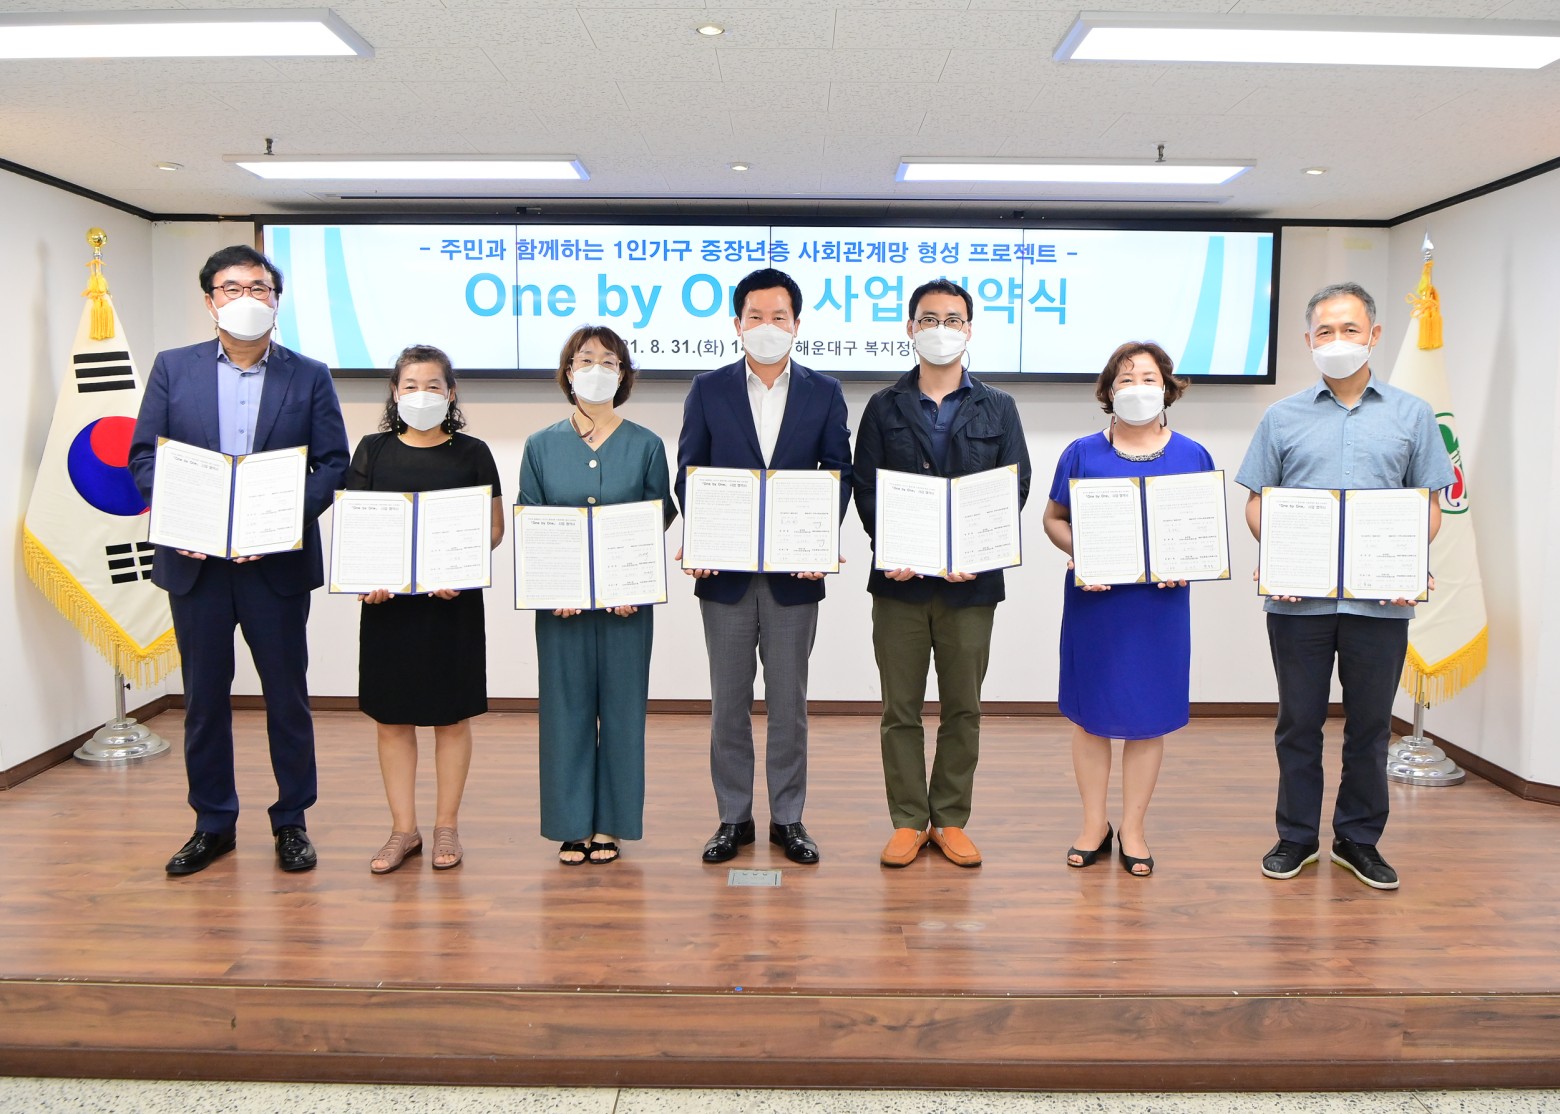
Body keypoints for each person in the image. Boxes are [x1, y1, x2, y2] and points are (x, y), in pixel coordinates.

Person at [129, 243, 349, 876]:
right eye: (232, 288)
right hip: (195, 564)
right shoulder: (174, 368)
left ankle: (292, 821)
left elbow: (332, 463)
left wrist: (279, 523)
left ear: (276, 302)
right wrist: (179, 519)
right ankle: (212, 823)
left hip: (274, 565)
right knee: (203, 699)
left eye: (259, 289)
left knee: (287, 697)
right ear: (210, 301)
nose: (246, 298)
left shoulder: (309, 374)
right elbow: (145, 457)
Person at [1236, 282, 1454, 891]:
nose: (1338, 341)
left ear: (1373, 336)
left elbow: (1429, 504)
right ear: (1308, 340)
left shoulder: (1413, 414)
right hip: (1297, 603)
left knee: (1370, 726)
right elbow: (1257, 502)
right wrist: (1277, 552)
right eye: (1325, 331)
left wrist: (1407, 561)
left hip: (1381, 604)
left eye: (1350, 330)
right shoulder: (1282, 416)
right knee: (1298, 722)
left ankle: (1358, 840)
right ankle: (1296, 837)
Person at [675, 267, 852, 867]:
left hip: (793, 577)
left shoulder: (824, 392)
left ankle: (788, 818)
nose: (767, 326)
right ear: (737, 323)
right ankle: (733, 818)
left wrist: (818, 540)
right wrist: (702, 536)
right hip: (723, 577)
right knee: (728, 702)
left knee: (788, 705)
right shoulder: (708, 389)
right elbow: (690, 471)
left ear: (797, 325)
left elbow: (839, 473)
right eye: (756, 316)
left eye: (779, 316)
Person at [853, 278, 1031, 869]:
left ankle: (950, 818)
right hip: (900, 585)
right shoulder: (883, 405)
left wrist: (973, 552)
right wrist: (892, 547)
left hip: (971, 587)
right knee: (899, 709)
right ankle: (908, 821)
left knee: (963, 707)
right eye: (929, 319)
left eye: (953, 319)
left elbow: (1014, 486)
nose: (941, 329)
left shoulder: (998, 407)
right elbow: (866, 487)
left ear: (969, 329)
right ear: (910, 328)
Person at [1041, 342, 1213, 877]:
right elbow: (1053, 520)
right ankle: (1094, 824)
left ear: (1167, 387)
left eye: (1148, 378)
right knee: (1091, 719)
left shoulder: (1194, 455)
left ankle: (1133, 828)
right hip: (1096, 607)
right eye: (1125, 379)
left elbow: (1202, 533)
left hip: (1159, 609)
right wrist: (1082, 552)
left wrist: (1188, 560)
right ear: (1109, 391)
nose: (1137, 388)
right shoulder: (1081, 453)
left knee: (1147, 719)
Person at [520, 325, 674, 865]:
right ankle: (571, 825)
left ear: (623, 374)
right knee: (565, 711)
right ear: (568, 371)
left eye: (610, 361)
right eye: (585, 359)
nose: (597, 369)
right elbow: (532, 519)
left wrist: (633, 583)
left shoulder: (647, 444)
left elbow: (659, 516)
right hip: (560, 609)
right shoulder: (540, 446)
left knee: (624, 711)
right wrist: (554, 588)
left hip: (626, 607)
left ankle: (611, 824)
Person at [349, 345, 504, 874]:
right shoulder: (371, 451)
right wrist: (367, 579)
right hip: (388, 609)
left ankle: (446, 827)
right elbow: (359, 526)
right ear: (395, 393)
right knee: (391, 720)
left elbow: (493, 528)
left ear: (451, 393)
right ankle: (403, 830)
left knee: (450, 718)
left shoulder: (473, 452)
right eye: (411, 385)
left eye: (433, 385)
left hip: (451, 607)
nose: (422, 394)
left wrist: (459, 569)